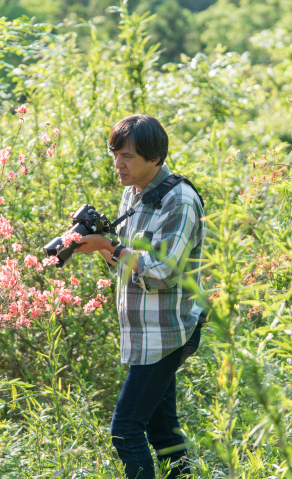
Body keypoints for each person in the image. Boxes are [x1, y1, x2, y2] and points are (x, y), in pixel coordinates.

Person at [75, 114, 205, 479]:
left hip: (166, 332)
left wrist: (109, 247)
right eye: (115, 154)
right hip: (143, 333)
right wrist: (96, 244)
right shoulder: (133, 193)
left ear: (156, 158)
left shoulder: (178, 200)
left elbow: (162, 272)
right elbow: (125, 264)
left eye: (128, 157)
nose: (119, 164)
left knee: (125, 430)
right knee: (163, 433)